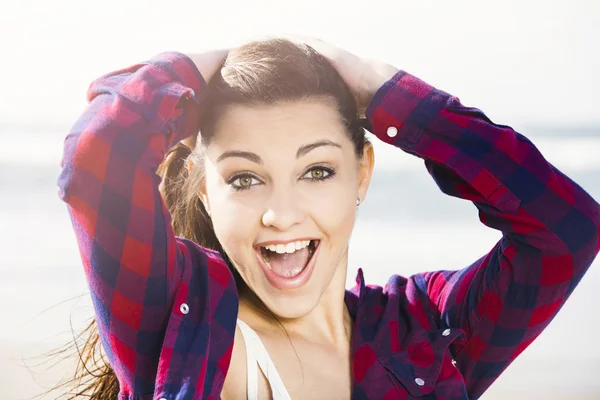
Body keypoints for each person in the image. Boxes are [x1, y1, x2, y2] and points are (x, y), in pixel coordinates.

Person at [56, 37, 600, 400]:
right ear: (203, 191)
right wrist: (201, 64)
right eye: (245, 178)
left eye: (317, 171)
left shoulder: (424, 333)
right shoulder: (180, 323)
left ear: (361, 174)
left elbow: (566, 231)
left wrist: (397, 101)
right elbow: (97, 159)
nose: (282, 215)